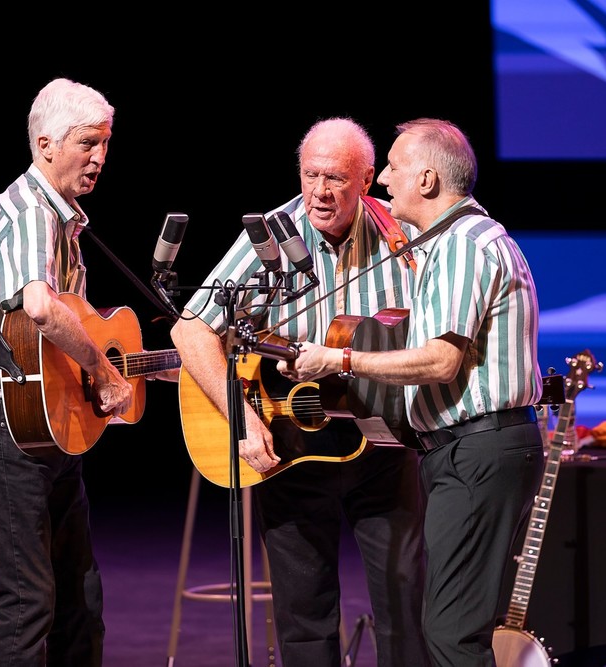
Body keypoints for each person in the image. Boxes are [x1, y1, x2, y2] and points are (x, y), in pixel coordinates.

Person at [279, 118, 545, 666]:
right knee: (450, 627)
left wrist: (340, 359)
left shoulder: (461, 245)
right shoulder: (456, 241)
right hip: (467, 452)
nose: (382, 181)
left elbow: (440, 361)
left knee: (453, 634)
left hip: (477, 450)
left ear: (426, 179)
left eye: (393, 168)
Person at [170, 118, 430, 667]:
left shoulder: (402, 233)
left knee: (406, 606)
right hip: (293, 448)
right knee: (303, 617)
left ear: (367, 179)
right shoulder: (270, 236)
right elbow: (190, 330)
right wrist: (242, 420)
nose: (320, 191)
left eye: (335, 178)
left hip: (384, 447)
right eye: (310, 175)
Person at [0, 77, 137, 666]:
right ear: (45, 144)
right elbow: (40, 308)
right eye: (87, 142)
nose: (100, 157)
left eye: (105, 143)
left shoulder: (63, 219)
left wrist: (137, 367)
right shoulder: (31, 211)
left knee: (79, 601)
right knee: (28, 605)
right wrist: (103, 373)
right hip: (7, 424)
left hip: (44, 422)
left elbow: (59, 330)